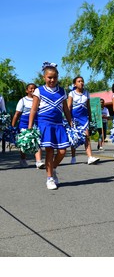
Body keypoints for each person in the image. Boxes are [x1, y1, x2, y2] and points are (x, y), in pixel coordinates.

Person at [28, 62, 72, 190]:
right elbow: (34, 109)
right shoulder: (39, 90)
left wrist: (70, 122)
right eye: (49, 77)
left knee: (63, 151)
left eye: (55, 78)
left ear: (58, 78)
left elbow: (66, 110)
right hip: (45, 124)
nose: (52, 80)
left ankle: (52, 169)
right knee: (49, 150)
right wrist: (30, 126)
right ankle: (49, 178)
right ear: (44, 77)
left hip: (58, 124)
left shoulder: (62, 91)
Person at [11, 83, 44, 169]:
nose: (33, 90)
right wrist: (12, 126)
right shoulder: (23, 100)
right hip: (24, 124)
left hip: (36, 123)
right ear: (27, 90)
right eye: (31, 88)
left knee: (37, 141)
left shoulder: (39, 100)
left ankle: (38, 161)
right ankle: (23, 159)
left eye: (34, 88)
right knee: (24, 143)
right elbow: (17, 114)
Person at [67, 76, 100, 165]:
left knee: (87, 136)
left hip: (84, 118)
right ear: (75, 84)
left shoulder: (86, 93)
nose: (81, 83)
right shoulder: (72, 93)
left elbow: (88, 106)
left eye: (82, 81)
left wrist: (90, 118)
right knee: (74, 138)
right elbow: (69, 107)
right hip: (74, 118)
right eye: (79, 81)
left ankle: (90, 157)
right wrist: (69, 119)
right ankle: (73, 157)